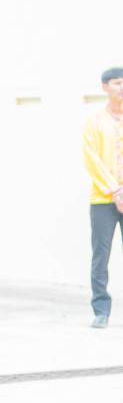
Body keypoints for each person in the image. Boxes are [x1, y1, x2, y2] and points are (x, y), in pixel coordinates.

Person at [84, 65, 123, 328]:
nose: (122, 88)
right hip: (102, 200)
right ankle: (101, 309)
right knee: (101, 254)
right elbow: (92, 160)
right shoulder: (94, 121)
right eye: (118, 83)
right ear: (105, 87)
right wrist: (115, 190)